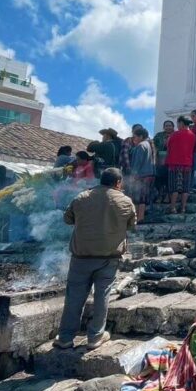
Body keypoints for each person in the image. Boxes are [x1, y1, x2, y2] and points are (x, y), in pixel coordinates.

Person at [53, 167, 136, 350]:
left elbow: (68, 219)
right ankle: (95, 337)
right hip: (109, 258)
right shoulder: (126, 201)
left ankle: (65, 337)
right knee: (102, 296)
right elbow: (132, 225)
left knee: (74, 296)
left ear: (100, 180)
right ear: (118, 183)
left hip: (81, 257)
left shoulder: (82, 197)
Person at [166, 115, 196, 215]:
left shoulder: (174, 135)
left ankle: (173, 207)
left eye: (178, 123)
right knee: (185, 187)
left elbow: (168, 145)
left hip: (174, 163)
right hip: (187, 164)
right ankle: (183, 208)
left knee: (174, 187)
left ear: (181, 124)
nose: (177, 126)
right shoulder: (193, 135)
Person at [129, 127, 155, 223]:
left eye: (135, 136)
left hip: (141, 175)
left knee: (137, 197)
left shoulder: (140, 146)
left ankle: (137, 218)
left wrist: (133, 175)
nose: (133, 138)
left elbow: (137, 163)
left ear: (140, 136)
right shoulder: (148, 145)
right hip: (148, 174)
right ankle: (141, 217)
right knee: (143, 198)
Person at [153, 119, 175, 202]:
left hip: (172, 159)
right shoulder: (159, 136)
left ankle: (167, 196)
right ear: (163, 127)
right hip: (160, 159)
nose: (168, 127)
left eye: (170, 125)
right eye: (166, 126)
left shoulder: (176, 135)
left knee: (169, 178)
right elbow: (154, 146)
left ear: (173, 127)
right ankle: (160, 195)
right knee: (159, 178)